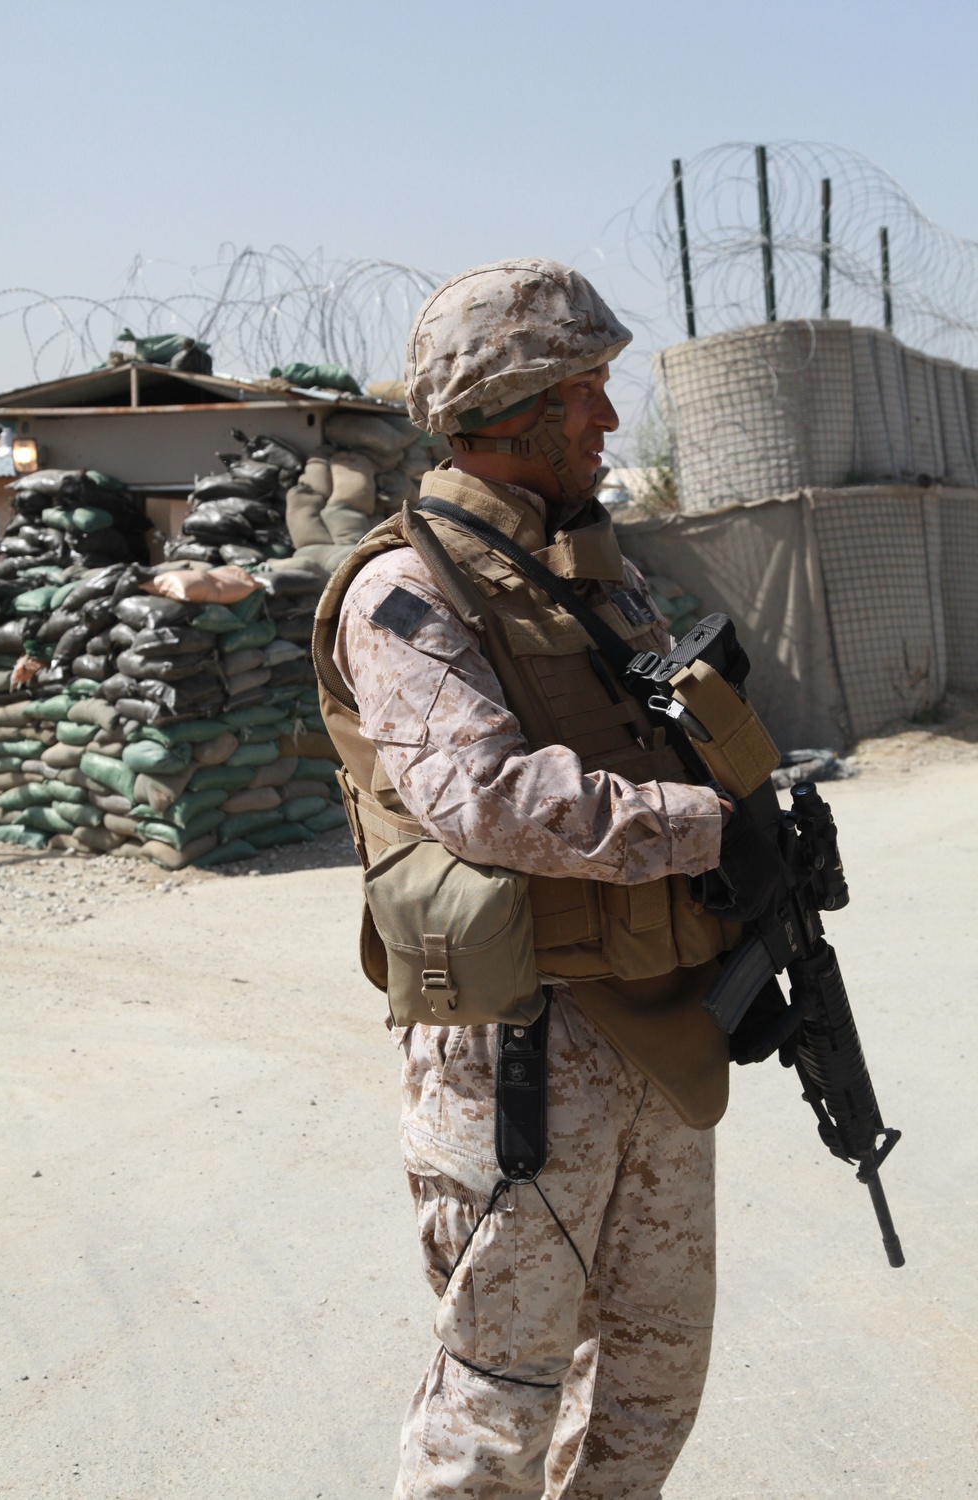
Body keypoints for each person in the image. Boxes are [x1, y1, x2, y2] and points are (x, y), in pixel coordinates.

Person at [313, 259, 757, 1499]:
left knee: (657, 1377)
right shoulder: (408, 590)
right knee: (497, 1405)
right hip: (523, 1050)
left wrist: (765, 826)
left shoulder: (589, 573)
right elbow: (484, 799)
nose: (607, 421)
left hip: (655, 1031)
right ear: (511, 411)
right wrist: (708, 826)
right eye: (586, 393)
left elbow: (677, 739)